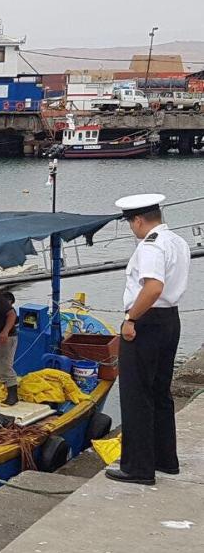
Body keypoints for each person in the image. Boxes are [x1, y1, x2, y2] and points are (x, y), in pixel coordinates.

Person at [106, 193, 189, 486]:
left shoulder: (150, 245)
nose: (132, 229)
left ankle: (138, 467)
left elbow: (153, 287)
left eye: (131, 223)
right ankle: (165, 459)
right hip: (169, 319)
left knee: (136, 394)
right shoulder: (177, 241)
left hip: (146, 321)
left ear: (139, 220)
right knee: (160, 392)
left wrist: (130, 319)